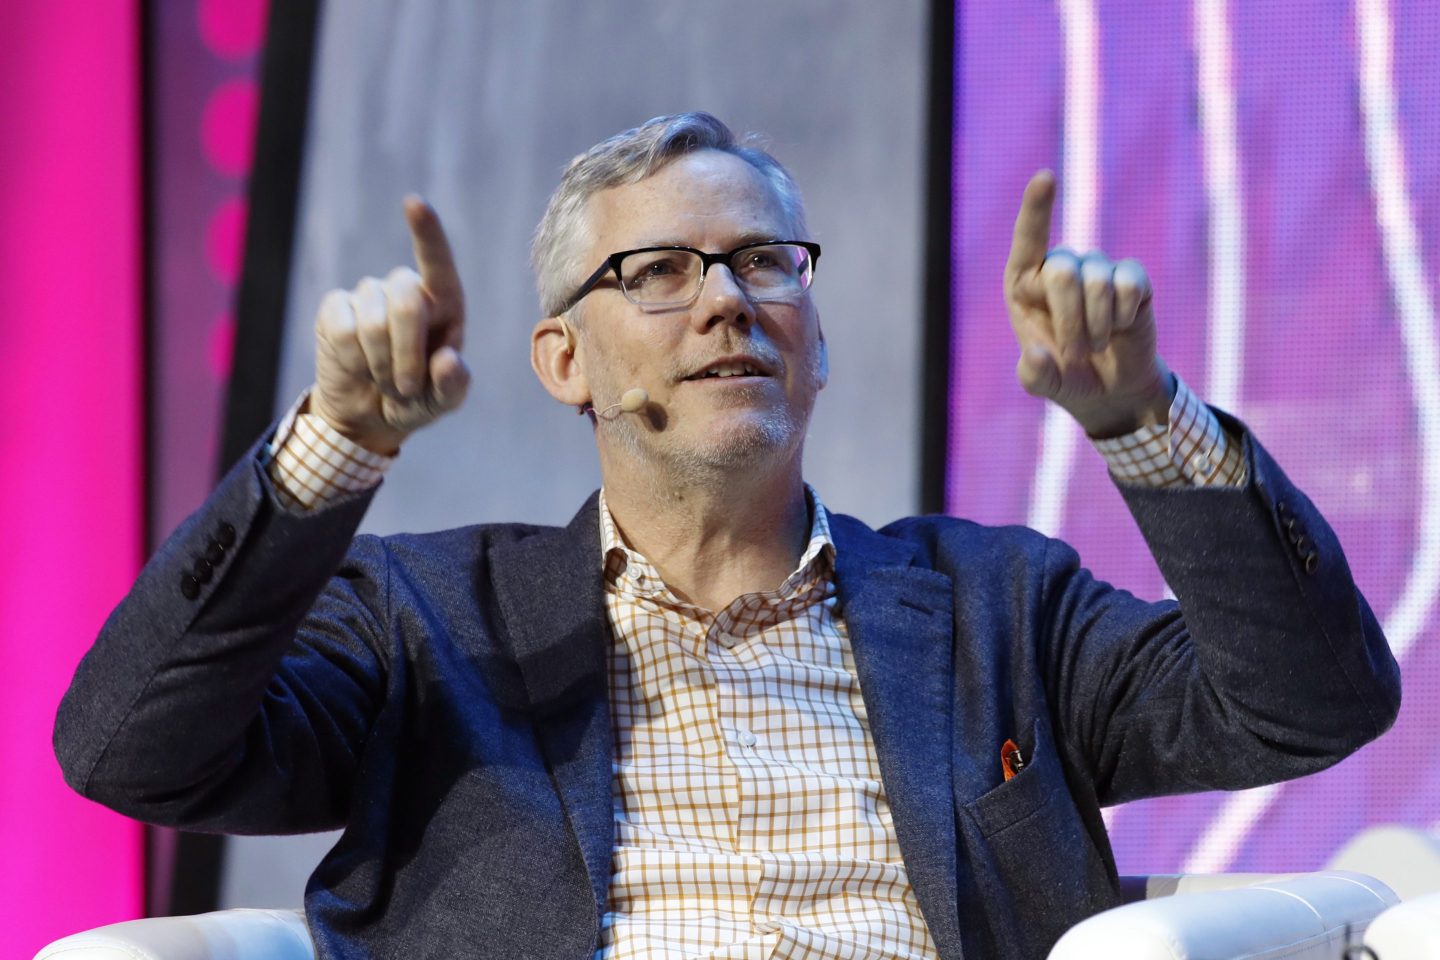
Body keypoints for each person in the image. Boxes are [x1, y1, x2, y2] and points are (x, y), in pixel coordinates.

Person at [56, 113, 1400, 960]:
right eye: (659, 272)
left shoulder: (998, 604)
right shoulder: (428, 622)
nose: (727, 303)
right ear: (563, 358)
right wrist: (333, 445)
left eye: (766, 263)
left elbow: (1312, 705)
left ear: (817, 341)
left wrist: (1142, 419)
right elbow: (129, 750)